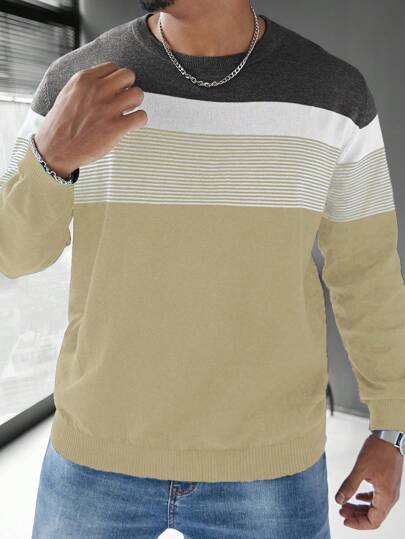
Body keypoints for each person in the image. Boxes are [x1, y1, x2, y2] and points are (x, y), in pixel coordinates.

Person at [1, 0, 404, 537]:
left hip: (269, 464)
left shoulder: (334, 93)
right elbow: (15, 254)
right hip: (96, 452)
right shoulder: (75, 82)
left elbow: (367, 272)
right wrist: (51, 155)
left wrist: (392, 426)